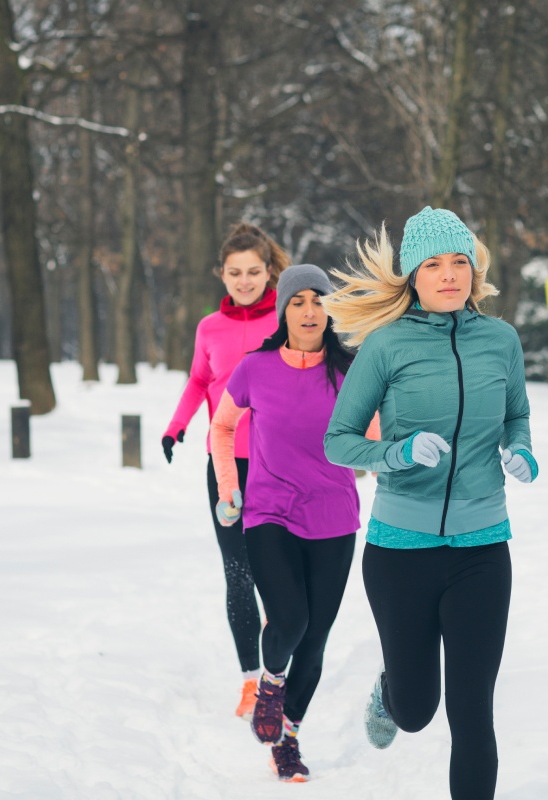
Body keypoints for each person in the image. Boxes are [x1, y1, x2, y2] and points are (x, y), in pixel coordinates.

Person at [321, 207, 537, 800]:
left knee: (473, 712)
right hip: (400, 552)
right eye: (434, 264)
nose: (449, 274)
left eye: (459, 262)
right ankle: (391, 691)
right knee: (417, 711)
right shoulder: (387, 346)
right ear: (413, 276)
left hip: (482, 549)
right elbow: (338, 441)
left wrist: (520, 448)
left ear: (474, 270)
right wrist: (397, 453)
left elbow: (516, 414)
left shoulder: (501, 340)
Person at [210, 264, 378, 782]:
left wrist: (386, 459)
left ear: (330, 310)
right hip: (269, 513)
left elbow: (374, 444)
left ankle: (287, 738)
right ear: (283, 310)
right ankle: (270, 680)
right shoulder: (255, 368)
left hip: (333, 518)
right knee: (289, 620)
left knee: (314, 639)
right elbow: (222, 426)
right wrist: (228, 487)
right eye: (298, 301)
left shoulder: (351, 373)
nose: (309, 311)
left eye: (318, 300)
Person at [161, 222, 289, 719]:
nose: (244, 281)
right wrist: (175, 427)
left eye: (253, 271)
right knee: (238, 575)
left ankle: (279, 674)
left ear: (269, 270)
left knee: (278, 574)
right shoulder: (209, 328)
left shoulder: (287, 318)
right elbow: (199, 380)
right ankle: (251, 682)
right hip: (226, 465)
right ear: (222, 274)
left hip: (281, 465)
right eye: (235, 273)